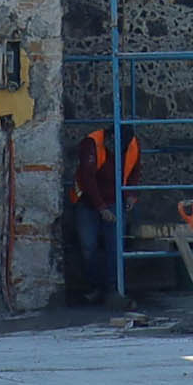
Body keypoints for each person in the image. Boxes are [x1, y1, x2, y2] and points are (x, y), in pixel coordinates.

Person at [69, 126, 139, 304]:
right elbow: (87, 179)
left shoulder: (132, 144)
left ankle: (112, 289)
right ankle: (95, 287)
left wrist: (131, 194)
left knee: (115, 246)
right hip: (87, 201)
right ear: (111, 137)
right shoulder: (91, 144)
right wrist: (101, 208)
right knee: (88, 247)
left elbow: (134, 169)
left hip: (115, 200)